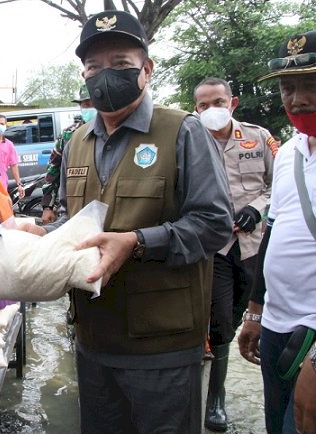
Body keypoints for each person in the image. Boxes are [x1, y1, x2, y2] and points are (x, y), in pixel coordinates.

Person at [20, 10, 232, 433]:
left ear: (146, 70)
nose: (104, 76)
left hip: (162, 345)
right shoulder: (78, 142)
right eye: (94, 67)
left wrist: (137, 241)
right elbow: (73, 220)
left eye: (120, 65)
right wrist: (40, 233)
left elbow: (214, 224)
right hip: (94, 340)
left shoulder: (181, 131)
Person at [238, 29, 316, 434]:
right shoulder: (288, 152)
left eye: (311, 85)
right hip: (276, 326)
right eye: (288, 87)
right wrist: (255, 310)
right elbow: (272, 233)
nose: (297, 99)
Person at [193, 76, 275, 431]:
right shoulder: (190, 141)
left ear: (233, 103)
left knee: (244, 311)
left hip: (254, 245)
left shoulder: (258, 137)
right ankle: (216, 400)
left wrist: (258, 207)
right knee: (221, 320)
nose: (212, 110)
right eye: (203, 105)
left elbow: (278, 186)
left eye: (218, 102)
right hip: (216, 248)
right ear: (195, 109)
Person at [41, 84, 96, 224]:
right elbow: (53, 169)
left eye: (92, 104)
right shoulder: (68, 135)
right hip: (71, 207)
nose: (88, 108)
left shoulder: (113, 132)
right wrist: (48, 206)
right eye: (85, 105)